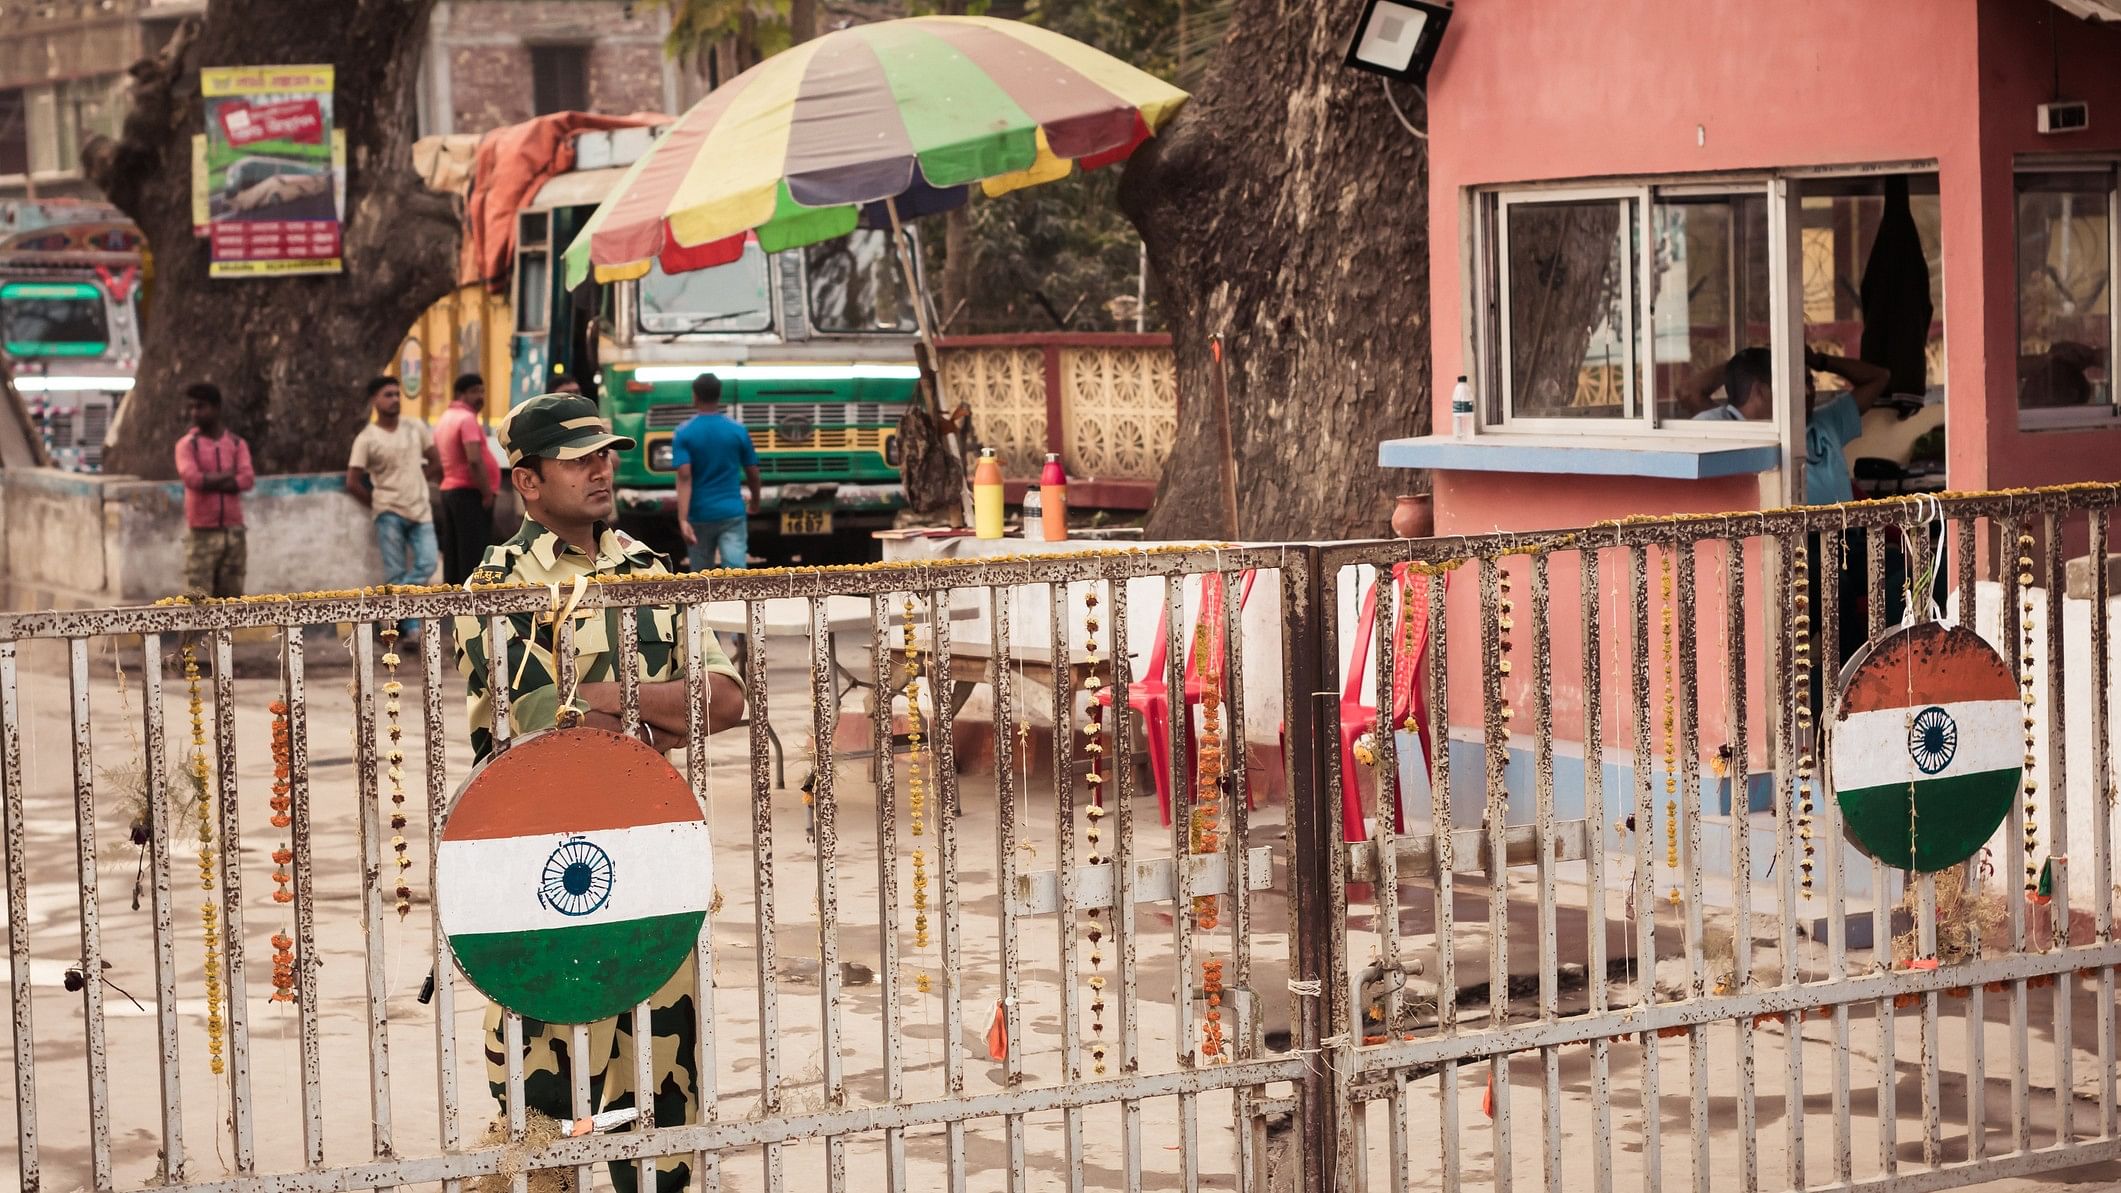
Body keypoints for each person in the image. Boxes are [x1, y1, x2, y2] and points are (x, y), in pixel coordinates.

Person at [452, 392, 744, 1193]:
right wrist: (645, 701)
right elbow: (542, 716)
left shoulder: (648, 571)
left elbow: (724, 698)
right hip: (534, 855)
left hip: (647, 848)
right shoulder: (496, 584)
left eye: (605, 453)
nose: (601, 467)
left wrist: (608, 696)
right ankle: (541, 1170)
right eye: (578, 456)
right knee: (543, 1053)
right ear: (528, 479)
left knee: (661, 1055)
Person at [347, 375, 441, 641]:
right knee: (396, 572)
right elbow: (353, 481)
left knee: (427, 563)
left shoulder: (415, 428)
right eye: (388, 395)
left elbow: (436, 462)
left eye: (397, 395)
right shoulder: (366, 438)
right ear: (374, 401)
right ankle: (410, 628)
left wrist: (418, 481)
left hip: (420, 509)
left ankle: (388, 614)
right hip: (388, 513)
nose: (395, 400)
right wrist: (378, 504)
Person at [173, 382, 255, 602]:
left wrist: (210, 480)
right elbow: (192, 478)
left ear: (217, 408)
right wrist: (228, 476)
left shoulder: (237, 444)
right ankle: (194, 640)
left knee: (231, 602)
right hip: (201, 533)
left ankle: (225, 639)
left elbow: (247, 479)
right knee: (196, 603)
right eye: (191, 407)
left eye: (200, 407)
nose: (194, 413)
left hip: (233, 534)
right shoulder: (187, 445)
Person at [671, 372, 760, 570]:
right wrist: (755, 502)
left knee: (702, 579)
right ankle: (736, 602)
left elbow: (684, 477)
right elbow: (753, 472)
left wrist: (683, 519)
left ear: (695, 396)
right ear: (719, 396)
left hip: (699, 514)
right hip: (732, 513)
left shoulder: (684, 432)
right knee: (736, 572)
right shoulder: (737, 430)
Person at [435, 373, 499, 585]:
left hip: (450, 491)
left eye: (482, 391)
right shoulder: (467, 419)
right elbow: (474, 460)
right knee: (473, 553)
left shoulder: (445, 418)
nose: (480, 396)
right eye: (474, 392)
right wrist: (487, 492)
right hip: (468, 493)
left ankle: (454, 602)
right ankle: (472, 604)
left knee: (454, 552)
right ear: (461, 394)